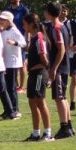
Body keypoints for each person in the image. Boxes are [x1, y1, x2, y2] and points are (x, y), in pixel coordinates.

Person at [42, 2, 74, 139]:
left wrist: (54, 68)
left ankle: (64, 127)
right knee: (63, 97)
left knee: (59, 97)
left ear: (49, 13)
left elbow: (61, 49)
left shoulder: (56, 28)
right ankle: (69, 126)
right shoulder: (62, 26)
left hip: (60, 67)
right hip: (63, 66)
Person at [22, 13, 53, 141]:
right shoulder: (33, 37)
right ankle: (36, 133)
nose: (23, 26)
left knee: (40, 101)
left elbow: (44, 59)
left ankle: (48, 133)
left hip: (39, 73)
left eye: (24, 23)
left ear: (31, 24)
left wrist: (46, 72)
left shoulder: (39, 38)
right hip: (33, 74)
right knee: (32, 102)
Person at [0, 10, 25, 118]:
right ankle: (8, 109)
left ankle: (15, 109)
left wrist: (15, 43)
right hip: (4, 63)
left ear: (8, 21)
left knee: (11, 87)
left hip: (12, 62)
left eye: (3, 19)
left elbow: (23, 43)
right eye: (0, 19)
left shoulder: (14, 30)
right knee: (6, 87)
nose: (0, 21)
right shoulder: (2, 31)